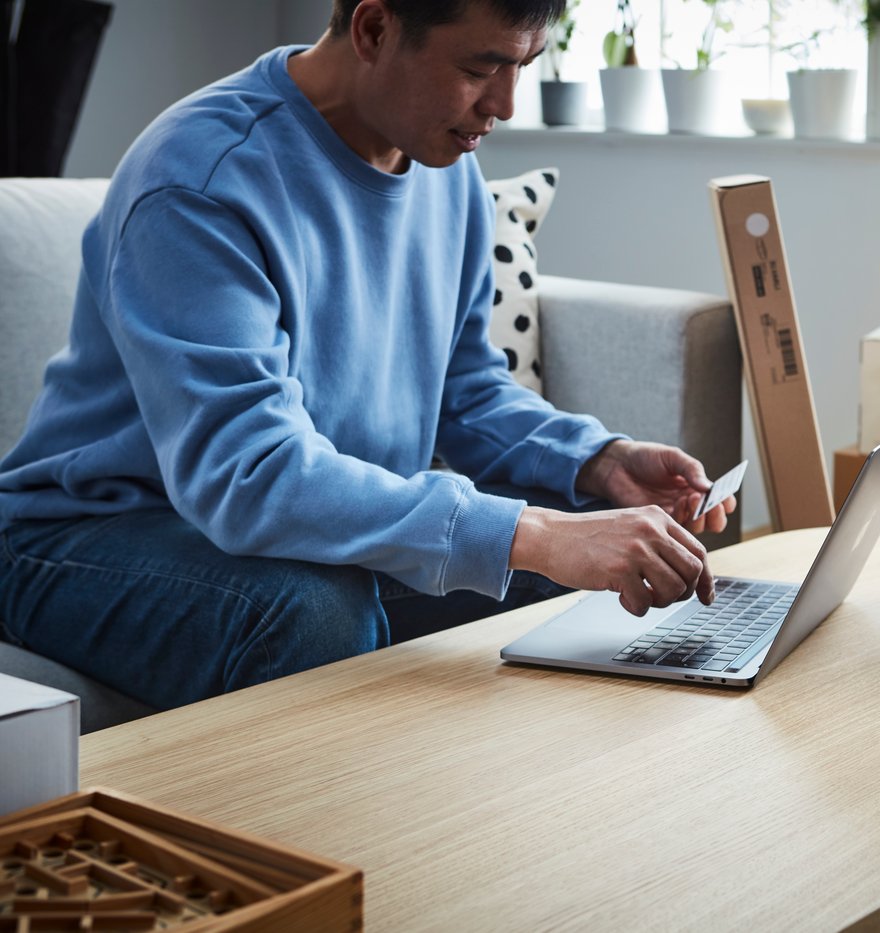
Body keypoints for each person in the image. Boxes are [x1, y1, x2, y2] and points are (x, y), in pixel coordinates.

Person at [0, 0, 734, 711]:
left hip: (298, 531)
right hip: (81, 539)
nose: (506, 105)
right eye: (483, 67)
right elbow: (250, 475)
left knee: (577, 557)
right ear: (376, 28)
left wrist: (598, 462)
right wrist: (533, 533)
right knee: (316, 612)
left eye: (525, 66)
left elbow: (467, 394)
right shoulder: (201, 180)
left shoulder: (447, 174)